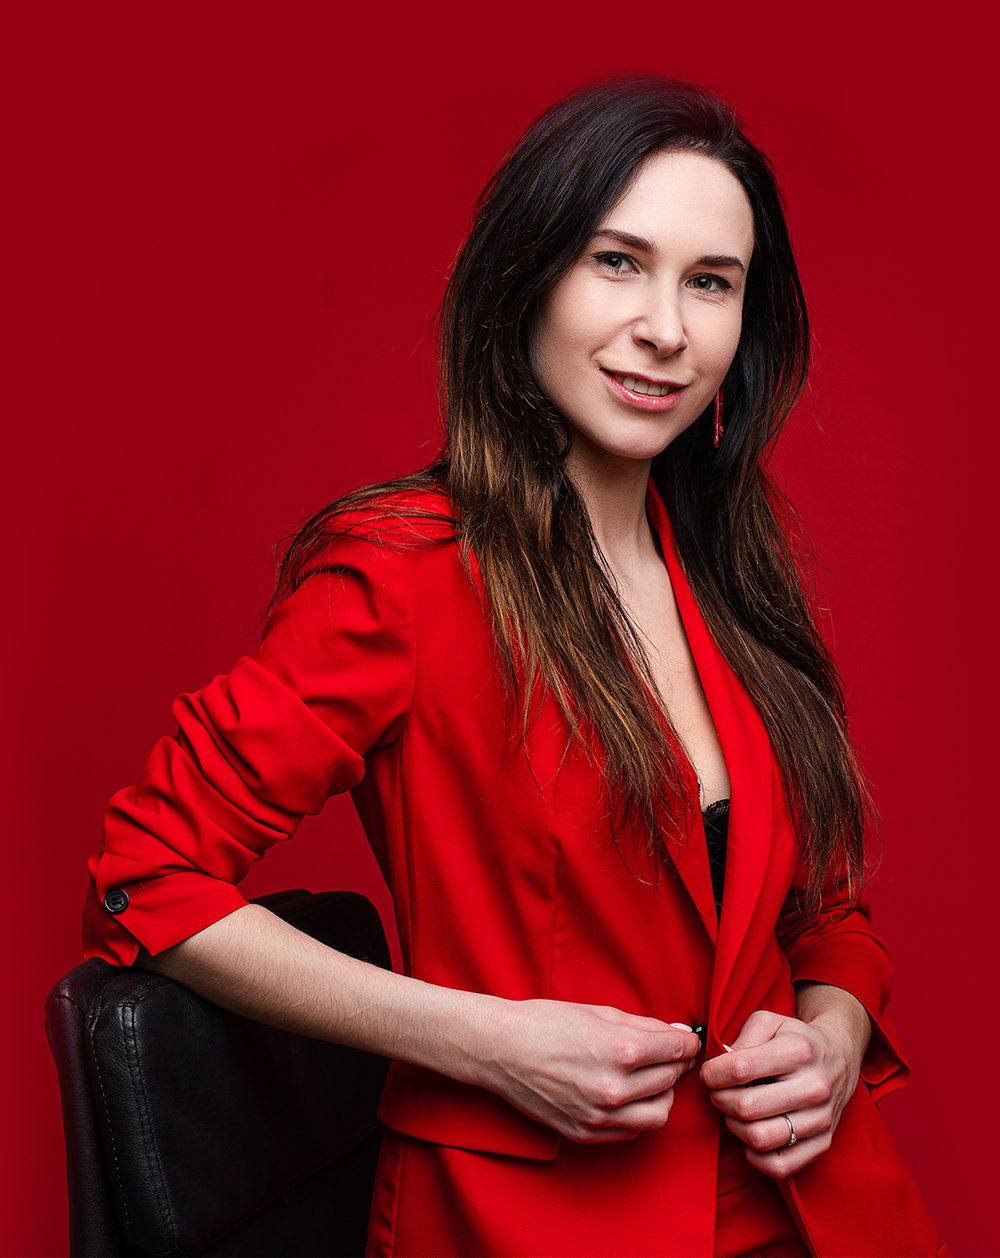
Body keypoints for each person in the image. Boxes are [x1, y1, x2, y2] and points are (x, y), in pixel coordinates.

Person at [83, 76, 946, 1257]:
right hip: (538, 1223)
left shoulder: (735, 575)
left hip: (827, 1209)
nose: (666, 328)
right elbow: (145, 873)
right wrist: (482, 1040)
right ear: (524, 279)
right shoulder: (405, 574)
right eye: (615, 263)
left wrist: (835, 1036)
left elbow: (817, 911)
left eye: (711, 282)